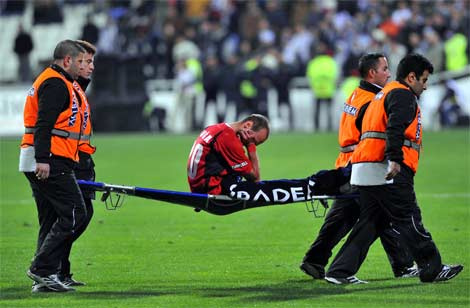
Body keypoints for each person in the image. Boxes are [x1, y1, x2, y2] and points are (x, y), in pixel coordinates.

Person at [324, 53, 463, 284]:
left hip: (365, 165)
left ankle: (339, 271)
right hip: (386, 169)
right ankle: (432, 268)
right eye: (424, 80)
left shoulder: (384, 93)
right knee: (409, 216)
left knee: (372, 222)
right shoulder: (402, 94)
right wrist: (395, 159)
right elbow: (395, 129)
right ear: (411, 77)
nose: (426, 86)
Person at [300, 53, 417, 281]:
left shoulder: (357, 92)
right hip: (360, 163)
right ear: (372, 73)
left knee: (346, 216)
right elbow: (371, 137)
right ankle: (396, 266)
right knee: (378, 213)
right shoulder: (372, 101)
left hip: (347, 161)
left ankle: (315, 260)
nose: (389, 73)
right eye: (385, 69)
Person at [19, 40, 87, 292]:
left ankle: (45, 276)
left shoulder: (55, 80)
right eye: (79, 61)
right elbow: (44, 124)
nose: (82, 67)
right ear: (67, 61)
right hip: (50, 159)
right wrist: (44, 159)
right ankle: (43, 269)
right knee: (74, 212)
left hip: (42, 157)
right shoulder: (56, 83)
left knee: (50, 219)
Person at [187, 114, 350, 203]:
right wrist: (251, 148)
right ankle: (322, 183)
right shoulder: (229, 138)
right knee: (269, 188)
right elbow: (255, 179)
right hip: (216, 189)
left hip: (202, 185)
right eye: (254, 140)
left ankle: (319, 182)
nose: (252, 144)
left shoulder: (217, 128)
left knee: (274, 185)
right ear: (248, 125)